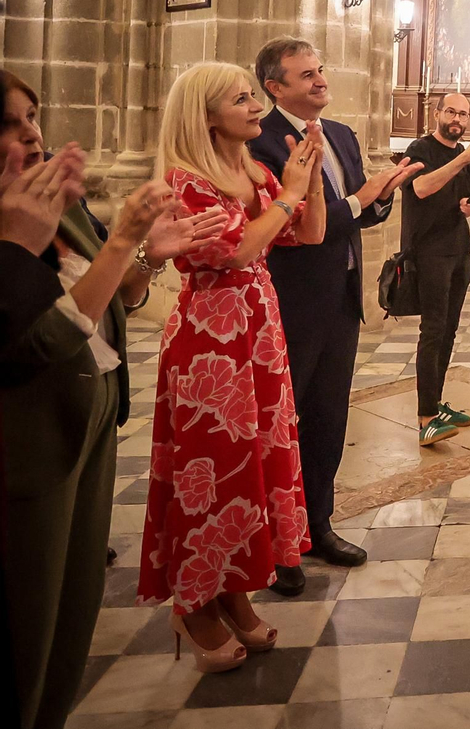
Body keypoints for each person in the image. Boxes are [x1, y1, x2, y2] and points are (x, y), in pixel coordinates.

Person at [0, 70, 223, 728]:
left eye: (35, 115)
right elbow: (40, 338)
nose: (35, 133)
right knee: (25, 627)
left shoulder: (57, 204)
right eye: (12, 123)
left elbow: (113, 292)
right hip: (30, 443)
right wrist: (124, 235)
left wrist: (147, 256)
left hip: (92, 423)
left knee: (73, 613)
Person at [137, 62, 327, 673]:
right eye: (241, 98)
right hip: (209, 344)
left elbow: (310, 235)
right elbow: (238, 249)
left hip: (258, 334)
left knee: (250, 467)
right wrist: (289, 197)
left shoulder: (256, 171)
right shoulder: (184, 181)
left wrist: (310, 180)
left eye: (253, 95)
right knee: (211, 469)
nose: (254, 106)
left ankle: (233, 591)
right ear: (205, 115)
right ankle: (194, 602)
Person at [248, 38, 423, 595]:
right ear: (276, 88)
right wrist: (362, 198)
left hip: (341, 298)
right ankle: (279, 544)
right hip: (291, 301)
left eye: (320, 70)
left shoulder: (341, 136)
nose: (320, 80)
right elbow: (291, 227)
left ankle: (317, 523)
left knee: (327, 417)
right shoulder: (262, 144)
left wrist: (384, 195)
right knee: (285, 422)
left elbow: (358, 215)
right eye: (306, 75)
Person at [400, 93, 470, 445]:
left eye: (463, 114)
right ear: (437, 113)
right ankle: (425, 418)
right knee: (432, 331)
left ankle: (436, 402)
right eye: (451, 111)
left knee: (448, 330)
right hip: (429, 253)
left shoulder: (461, 155)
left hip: (459, 250)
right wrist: (462, 158)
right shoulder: (420, 149)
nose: (457, 119)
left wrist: (468, 207)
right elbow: (420, 188)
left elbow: (459, 199)